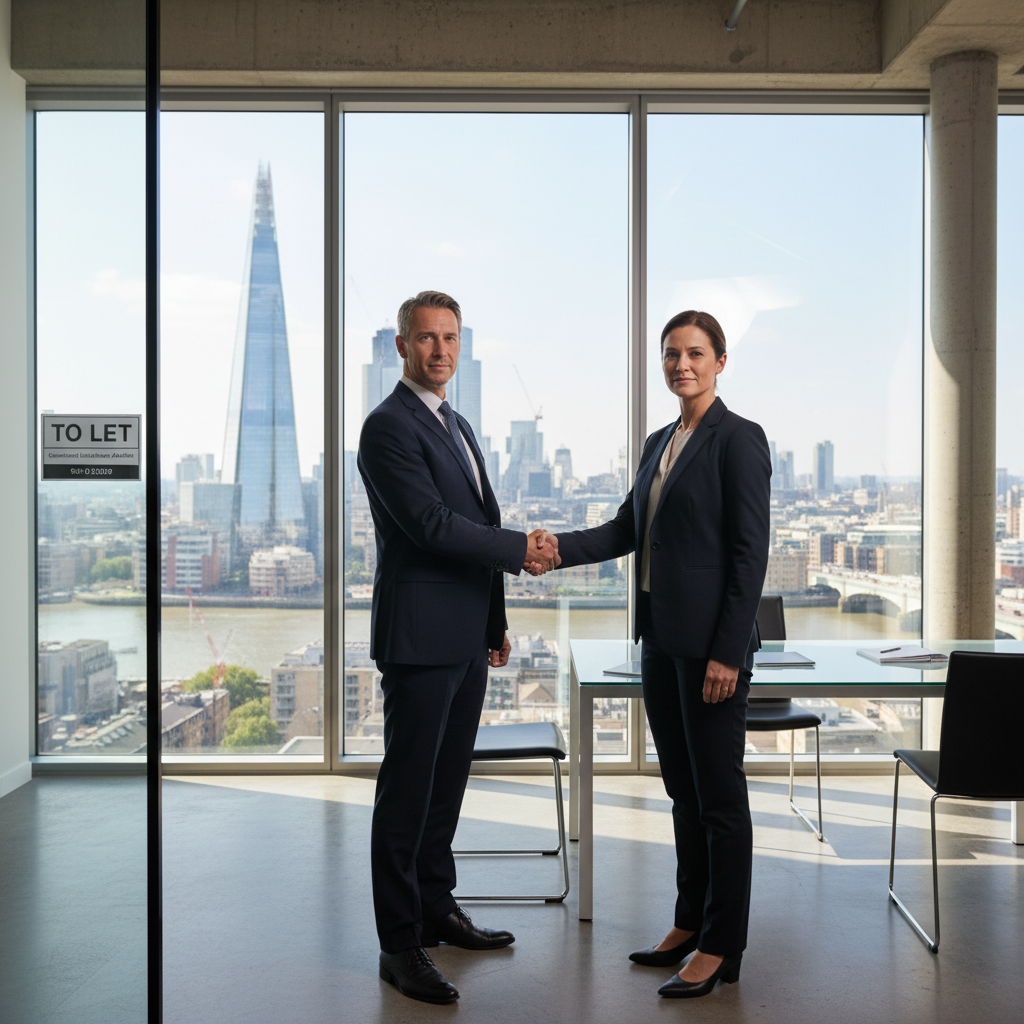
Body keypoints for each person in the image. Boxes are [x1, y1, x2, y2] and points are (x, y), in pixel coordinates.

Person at [552, 310, 770, 999]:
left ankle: (721, 944)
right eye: (672, 354)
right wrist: (552, 550)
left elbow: (748, 555)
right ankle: (687, 922)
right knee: (682, 793)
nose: (682, 365)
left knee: (719, 800)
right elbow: (626, 528)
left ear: (721, 361)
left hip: (711, 652)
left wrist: (728, 653)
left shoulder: (739, 439)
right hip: (661, 644)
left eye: (696, 353)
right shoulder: (659, 440)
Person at [357, 290, 558, 1006]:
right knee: (407, 795)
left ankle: (438, 908)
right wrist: (518, 551)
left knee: (445, 788)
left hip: (464, 636)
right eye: (426, 339)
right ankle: (400, 944)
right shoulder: (387, 428)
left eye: (450, 338)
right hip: (418, 639)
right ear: (401, 346)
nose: (440, 350)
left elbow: (474, 516)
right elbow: (432, 526)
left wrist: (493, 623)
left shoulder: (456, 422)